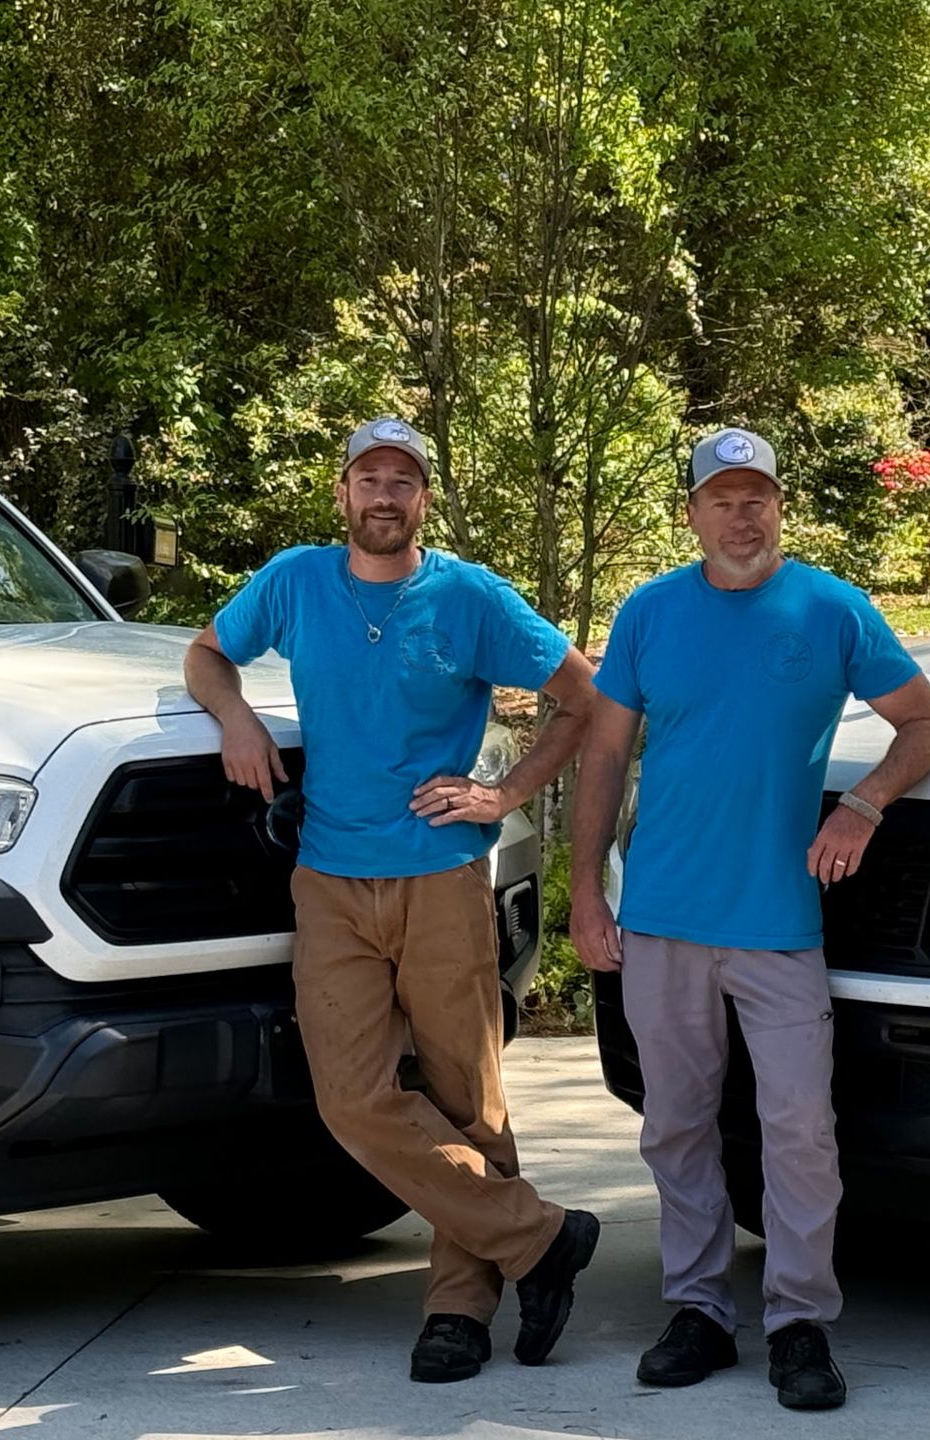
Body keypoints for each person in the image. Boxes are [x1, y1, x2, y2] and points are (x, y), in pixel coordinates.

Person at [184, 416, 602, 1384]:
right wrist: (235, 715)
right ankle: (539, 1240)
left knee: (467, 1098)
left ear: (423, 498)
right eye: (368, 478)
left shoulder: (468, 597)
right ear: (342, 493)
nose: (384, 495)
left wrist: (504, 793)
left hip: (440, 876)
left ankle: (458, 1307)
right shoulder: (294, 580)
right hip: (329, 876)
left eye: (402, 481)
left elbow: (583, 695)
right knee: (353, 1100)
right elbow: (208, 653)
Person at [570, 426, 930, 1411]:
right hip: (660, 915)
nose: (742, 513)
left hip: (778, 922)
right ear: (694, 512)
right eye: (722, 498)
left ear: (780, 504)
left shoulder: (830, 609)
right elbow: (605, 757)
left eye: (759, 497)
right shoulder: (652, 611)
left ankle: (798, 1324)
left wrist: (862, 807)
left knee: (797, 1129)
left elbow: (927, 723)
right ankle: (697, 1309)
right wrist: (585, 893)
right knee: (678, 1127)